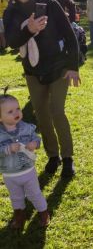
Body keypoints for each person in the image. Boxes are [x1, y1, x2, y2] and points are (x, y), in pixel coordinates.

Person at [2, 0, 80, 178]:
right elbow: (10, 41)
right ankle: (53, 156)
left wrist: (73, 66)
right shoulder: (12, 10)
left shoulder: (48, 1)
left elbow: (69, 34)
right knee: (42, 116)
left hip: (58, 67)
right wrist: (29, 29)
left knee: (57, 112)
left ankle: (67, 159)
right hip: (33, 71)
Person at [0, 93, 49, 229]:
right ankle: (19, 216)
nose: (16, 113)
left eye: (18, 108)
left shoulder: (27, 127)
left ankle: (43, 213)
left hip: (28, 171)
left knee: (35, 193)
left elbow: (37, 139)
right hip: (10, 175)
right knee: (16, 197)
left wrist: (35, 143)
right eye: (10, 111)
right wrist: (7, 149)